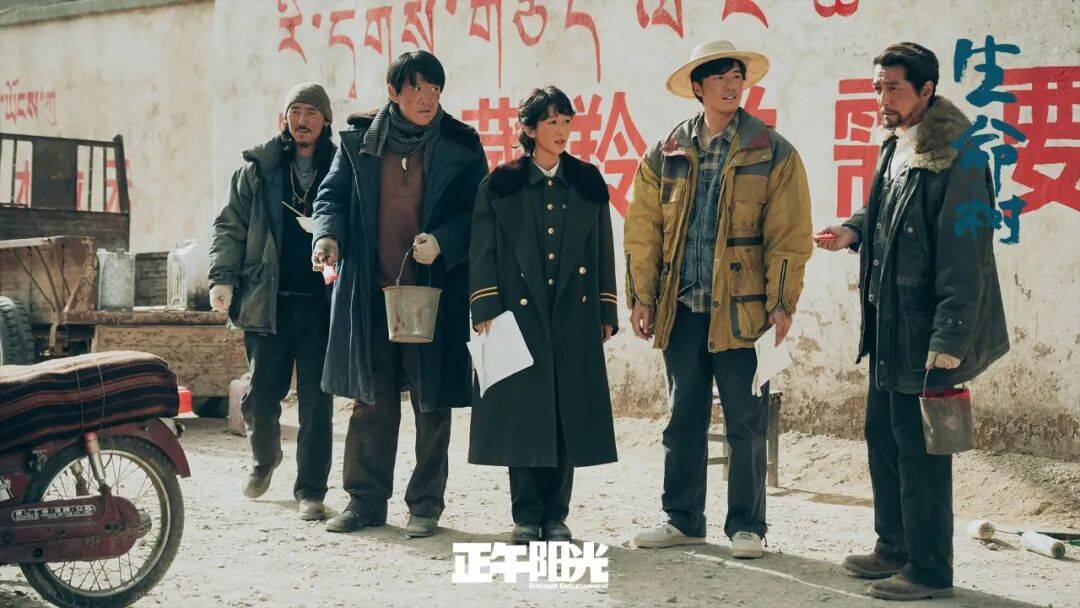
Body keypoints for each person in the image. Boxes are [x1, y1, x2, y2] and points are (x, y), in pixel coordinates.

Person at [815, 42, 1009, 601]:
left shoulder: (959, 156)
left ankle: (929, 569)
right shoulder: (896, 144)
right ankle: (893, 546)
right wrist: (853, 229)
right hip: (889, 326)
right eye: (878, 87)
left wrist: (949, 339)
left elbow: (967, 256)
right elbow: (883, 210)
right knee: (884, 437)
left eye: (894, 88)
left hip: (927, 333)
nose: (883, 98)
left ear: (926, 90)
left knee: (923, 452)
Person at [624, 41, 812, 559]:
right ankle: (682, 519)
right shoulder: (666, 153)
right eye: (720, 78)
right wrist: (642, 296)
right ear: (698, 88)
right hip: (682, 308)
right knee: (681, 418)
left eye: (737, 77)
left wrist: (781, 303)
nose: (732, 86)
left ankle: (747, 527)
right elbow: (644, 230)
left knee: (745, 421)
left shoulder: (773, 152)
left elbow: (789, 236)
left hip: (744, 312)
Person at [310, 50, 487, 538]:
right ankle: (364, 502)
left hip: (432, 293)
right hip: (372, 291)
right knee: (372, 400)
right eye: (416, 88)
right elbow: (331, 197)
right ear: (393, 92)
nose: (427, 98)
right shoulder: (360, 143)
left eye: (435, 88)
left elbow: (479, 213)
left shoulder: (461, 143)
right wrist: (327, 236)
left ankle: (425, 505)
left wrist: (445, 242)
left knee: (431, 404)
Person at [467, 86, 619, 544]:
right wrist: (485, 305)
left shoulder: (587, 181)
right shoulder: (501, 183)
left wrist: (606, 307)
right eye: (551, 121)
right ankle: (526, 515)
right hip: (516, 315)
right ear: (529, 129)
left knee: (565, 411)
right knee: (523, 413)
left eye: (566, 121)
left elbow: (602, 248)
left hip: (573, 314)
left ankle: (556, 515)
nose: (561, 130)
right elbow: (482, 249)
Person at [208, 82, 337, 521]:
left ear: (325, 121)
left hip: (321, 304)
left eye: (312, 113)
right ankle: (264, 459)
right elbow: (230, 226)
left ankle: (311, 490)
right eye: (295, 111)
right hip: (270, 301)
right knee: (262, 395)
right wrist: (222, 279)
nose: (302, 120)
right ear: (285, 118)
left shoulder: (340, 169)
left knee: (318, 402)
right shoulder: (258, 171)